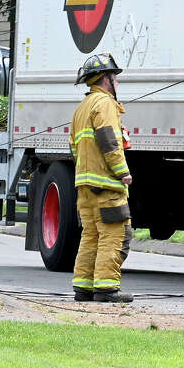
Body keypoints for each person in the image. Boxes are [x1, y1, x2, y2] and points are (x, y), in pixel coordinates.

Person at [70, 53, 135, 303]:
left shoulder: (81, 108)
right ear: (107, 79)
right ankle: (107, 289)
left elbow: (74, 149)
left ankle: (83, 287)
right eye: (115, 77)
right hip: (107, 186)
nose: (117, 82)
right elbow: (109, 139)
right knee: (115, 234)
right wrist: (122, 172)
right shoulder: (105, 104)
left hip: (85, 187)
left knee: (90, 236)